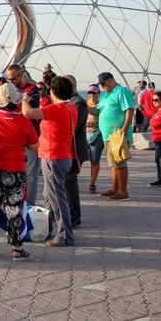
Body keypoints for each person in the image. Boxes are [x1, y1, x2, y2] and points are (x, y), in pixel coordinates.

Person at [0, 83, 38, 261]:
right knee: (15, 209)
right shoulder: (24, 122)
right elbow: (34, 146)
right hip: (16, 170)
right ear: (17, 102)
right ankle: (17, 249)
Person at [23, 76, 78, 247]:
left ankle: (64, 235)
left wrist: (25, 100)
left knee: (57, 198)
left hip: (54, 156)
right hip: (61, 156)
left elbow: (28, 113)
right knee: (49, 195)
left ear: (53, 91)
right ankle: (49, 228)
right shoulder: (71, 108)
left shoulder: (57, 108)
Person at [5, 64, 42, 205]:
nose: (12, 81)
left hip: (30, 137)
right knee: (13, 171)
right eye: (9, 79)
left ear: (22, 75)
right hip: (14, 137)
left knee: (31, 174)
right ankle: (16, 201)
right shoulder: (10, 89)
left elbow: (31, 113)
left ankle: (29, 205)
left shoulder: (32, 89)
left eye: (14, 78)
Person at [97, 72, 134, 200]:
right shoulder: (106, 95)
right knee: (112, 164)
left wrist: (124, 128)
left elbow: (129, 109)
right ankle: (115, 188)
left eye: (103, 84)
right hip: (107, 135)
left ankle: (123, 191)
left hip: (117, 134)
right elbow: (99, 110)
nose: (102, 87)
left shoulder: (121, 92)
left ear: (110, 81)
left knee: (120, 163)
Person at [65, 75, 88, 227]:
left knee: (70, 181)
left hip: (74, 148)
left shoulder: (78, 103)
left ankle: (74, 217)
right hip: (66, 148)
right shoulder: (68, 102)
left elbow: (73, 126)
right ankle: (67, 214)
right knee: (66, 182)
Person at [85, 84, 104, 194]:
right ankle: (71, 179)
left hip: (97, 134)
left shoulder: (102, 105)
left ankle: (92, 183)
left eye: (94, 92)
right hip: (84, 134)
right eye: (89, 92)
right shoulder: (84, 103)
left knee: (94, 160)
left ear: (99, 93)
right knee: (78, 158)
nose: (91, 94)